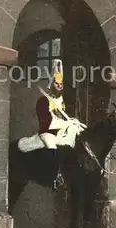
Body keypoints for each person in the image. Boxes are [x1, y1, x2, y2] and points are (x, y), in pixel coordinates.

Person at [36, 59, 85, 191]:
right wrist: (65, 123)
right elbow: (47, 121)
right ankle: (55, 177)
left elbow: (63, 116)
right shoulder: (43, 100)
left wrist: (72, 121)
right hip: (48, 132)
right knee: (53, 150)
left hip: (59, 129)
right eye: (57, 84)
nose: (59, 86)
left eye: (61, 84)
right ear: (51, 84)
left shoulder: (60, 100)